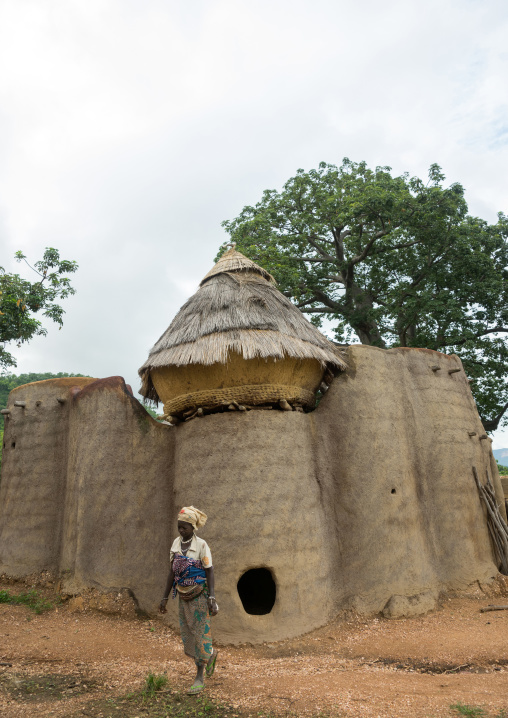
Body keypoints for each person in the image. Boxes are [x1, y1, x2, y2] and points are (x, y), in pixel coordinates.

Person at [159, 506, 219, 695]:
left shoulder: (201, 545)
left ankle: (199, 677)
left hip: (199, 596)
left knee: (200, 633)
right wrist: (164, 597)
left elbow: (209, 570)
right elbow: (172, 572)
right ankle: (209, 656)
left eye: (185, 527)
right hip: (183, 597)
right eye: (179, 527)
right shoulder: (176, 545)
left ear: (193, 527)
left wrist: (211, 596)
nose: (181, 531)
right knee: (189, 634)